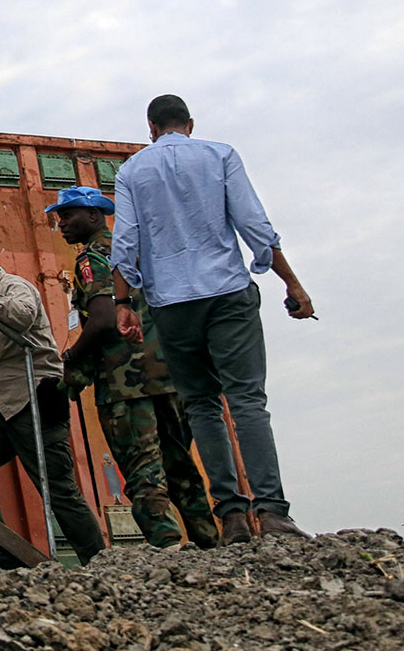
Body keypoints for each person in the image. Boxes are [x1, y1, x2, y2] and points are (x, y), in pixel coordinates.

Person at [110, 94, 316, 543]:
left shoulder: (132, 171)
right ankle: (273, 512)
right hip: (227, 293)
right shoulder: (220, 155)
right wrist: (291, 283)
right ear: (190, 123)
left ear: (151, 127)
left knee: (202, 404)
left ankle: (233, 516)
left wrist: (123, 303)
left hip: (172, 303)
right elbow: (254, 224)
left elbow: (125, 242)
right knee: (246, 401)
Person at [49, 186, 219, 550]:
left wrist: (70, 360)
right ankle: (209, 541)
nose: (60, 222)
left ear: (94, 216)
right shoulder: (141, 252)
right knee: (181, 466)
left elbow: (102, 320)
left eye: (68, 215)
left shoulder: (92, 259)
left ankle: (168, 545)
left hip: (125, 384)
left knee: (143, 469)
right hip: (169, 376)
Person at [0, 233, 108, 566]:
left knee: (58, 489)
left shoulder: (13, 288)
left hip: (34, 403)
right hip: (2, 408)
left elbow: (20, 315)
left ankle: (98, 563)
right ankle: (1, 549)